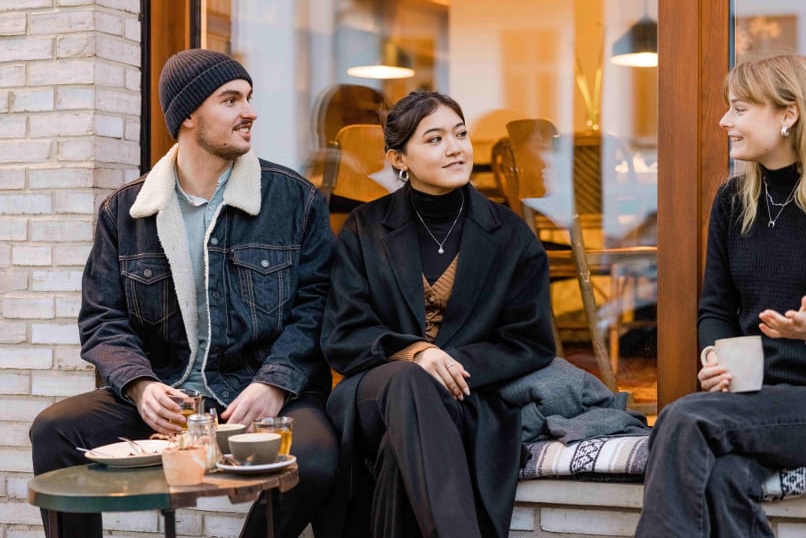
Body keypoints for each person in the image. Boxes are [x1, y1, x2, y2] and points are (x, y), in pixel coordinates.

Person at [29, 49, 339, 538]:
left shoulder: (293, 198)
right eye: (231, 99)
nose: (250, 111)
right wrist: (140, 386)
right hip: (170, 392)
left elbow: (318, 305)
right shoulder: (125, 211)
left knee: (317, 460)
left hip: (261, 390)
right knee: (55, 430)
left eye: (249, 98)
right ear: (189, 115)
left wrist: (274, 382)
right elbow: (101, 319)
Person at [634, 54, 806, 537]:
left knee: (683, 417)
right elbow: (715, 306)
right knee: (724, 478)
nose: (724, 121)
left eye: (739, 109)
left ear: (788, 115)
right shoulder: (734, 200)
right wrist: (714, 355)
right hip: (750, 400)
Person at [321, 90, 556, 538]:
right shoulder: (365, 228)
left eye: (461, 134)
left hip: (465, 399)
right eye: (434, 139)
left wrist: (450, 368)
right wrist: (415, 353)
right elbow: (342, 334)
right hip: (371, 396)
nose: (455, 148)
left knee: (400, 452)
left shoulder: (510, 235)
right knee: (409, 379)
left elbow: (530, 340)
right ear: (398, 158)